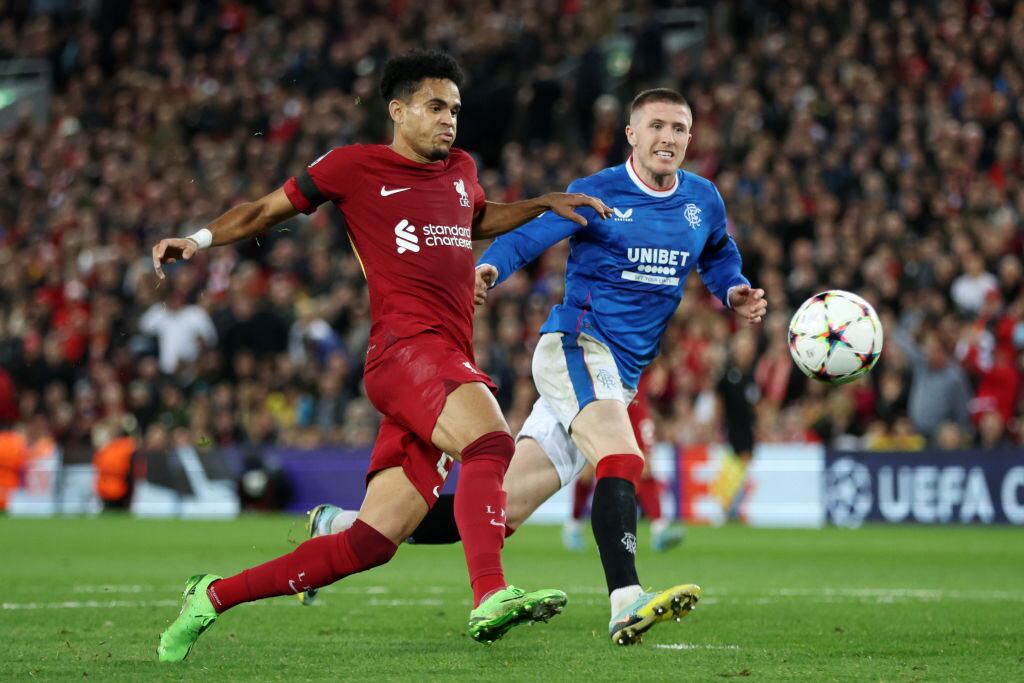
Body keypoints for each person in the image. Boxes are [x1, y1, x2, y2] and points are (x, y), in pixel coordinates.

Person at [151, 50, 612, 662]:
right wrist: (198, 239)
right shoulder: (352, 167)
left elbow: (475, 218)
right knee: (490, 443)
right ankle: (489, 594)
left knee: (370, 542)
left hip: (439, 359)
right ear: (398, 110)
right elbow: (263, 211)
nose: (449, 120)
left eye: (455, 110)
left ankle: (211, 596)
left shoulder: (462, 169)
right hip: (405, 350)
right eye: (435, 107)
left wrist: (541, 203)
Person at [308, 88, 766, 646]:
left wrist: (733, 288)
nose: (667, 138)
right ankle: (626, 600)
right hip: (577, 345)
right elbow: (532, 235)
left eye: (678, 129)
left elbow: (717, 251)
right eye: (656, 126)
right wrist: (489, 269)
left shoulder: (702, 199)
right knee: (622, 455)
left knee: (497, 512)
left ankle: (341, 527)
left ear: (690, 138)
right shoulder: (597, 192)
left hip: (620, 374)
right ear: (631, 134)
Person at [562, 374, 685, 553]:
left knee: (645, 466)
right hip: (605, 402)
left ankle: (659, 528)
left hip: (635, 404)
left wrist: (662, 370)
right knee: (591, 468)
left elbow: (660, 361)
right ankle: (574, 525)